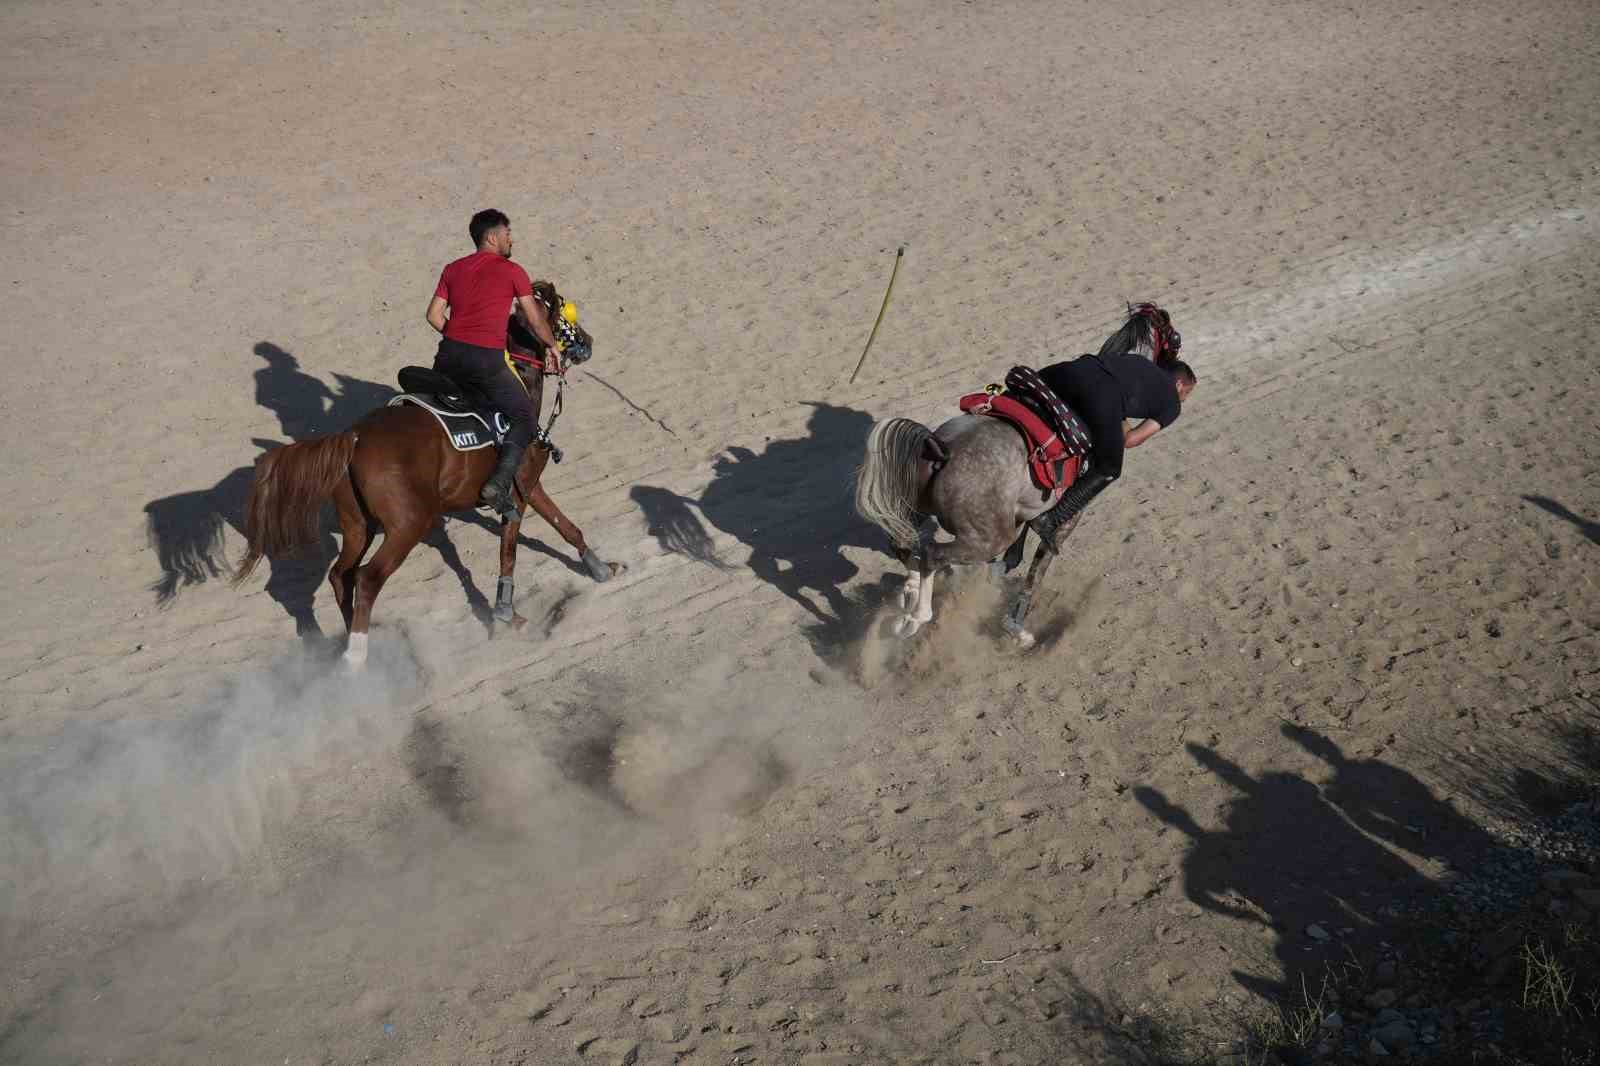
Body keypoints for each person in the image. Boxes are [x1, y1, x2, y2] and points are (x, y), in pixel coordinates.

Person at [426, 209, 562, 520]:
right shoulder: (512, 271)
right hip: (485, 360)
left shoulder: (452, 269)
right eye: (507, 233)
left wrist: (458, 336)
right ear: (492, 237)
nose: (510, 238)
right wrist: (552, 346)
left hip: (447, 357)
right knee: (524, 417)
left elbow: (433, 315)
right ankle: (498, 484)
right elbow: (534, 318)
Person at [1026, 349, 1196, 545]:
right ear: (1178, 384)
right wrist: (1121, 418)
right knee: (1110, 468)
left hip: (1067, 371)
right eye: (1187, 392)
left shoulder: (1139, 361)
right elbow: (1131, 440)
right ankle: (1050, 519)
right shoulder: (1173, 405)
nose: (1185, 399)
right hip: (1098, 394)